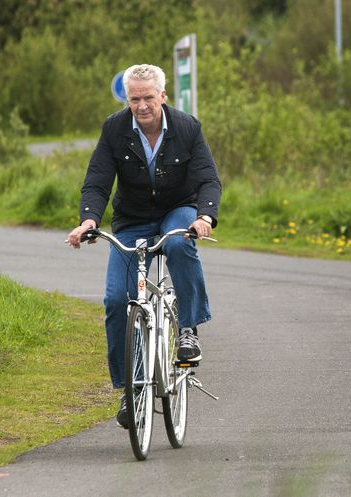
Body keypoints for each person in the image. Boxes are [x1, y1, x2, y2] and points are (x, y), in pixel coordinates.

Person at [67, 64, 221, 428]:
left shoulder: (186, 127)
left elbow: (207, 179)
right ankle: (128, 389)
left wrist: (205, 217)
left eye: (148, 97)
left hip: (177, 210)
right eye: (134, 98)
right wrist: (89, 220)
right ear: (127, 99)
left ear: (163, 96)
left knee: (181, 244)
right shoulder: (114, 129)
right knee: (117, 300)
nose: (141, 105)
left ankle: (187, 330)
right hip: (132, 219)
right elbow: (98, 180)